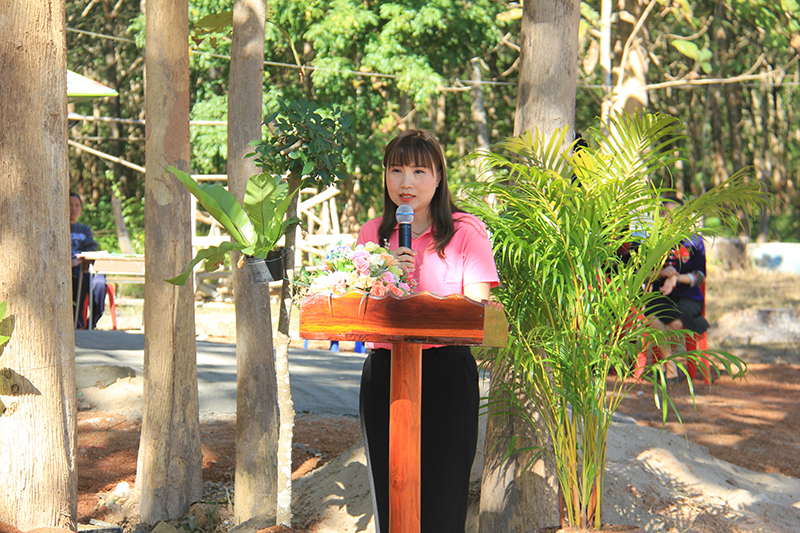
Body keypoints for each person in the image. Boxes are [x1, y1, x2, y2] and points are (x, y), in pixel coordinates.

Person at [356, 130, 500, 533]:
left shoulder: (466, 231)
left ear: (438, 177)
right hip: (385, 373)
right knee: (391, 498)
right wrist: (385, 277)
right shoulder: (372, 235)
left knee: (441, 497)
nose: (406, 182)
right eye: (396, 170)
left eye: (419, 171)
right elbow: (358, 307)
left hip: (446, 374)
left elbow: (478, 313)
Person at [646, 196, 709, 382]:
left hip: (689, 295)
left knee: (676, 323)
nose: (670, 219)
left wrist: (676, 278)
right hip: (661, 294)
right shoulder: (653, 240)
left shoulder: (694, 241)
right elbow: (641, 273)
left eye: (675, 215)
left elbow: (700, 275)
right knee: (653, 318)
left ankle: (667, 365)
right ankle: (671, 365)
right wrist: (660, 273)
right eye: (664, 214)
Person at [70, 192, 106, 328]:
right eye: (70, 205)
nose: (73, 208)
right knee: (77, 279)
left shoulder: (85, 229)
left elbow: (91, 248)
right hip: (70, 271)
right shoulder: (58, 226)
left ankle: (92, 323)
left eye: (77, 205)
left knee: (100, 283)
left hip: (85, 267)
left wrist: (80, 260)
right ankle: (77, 322)